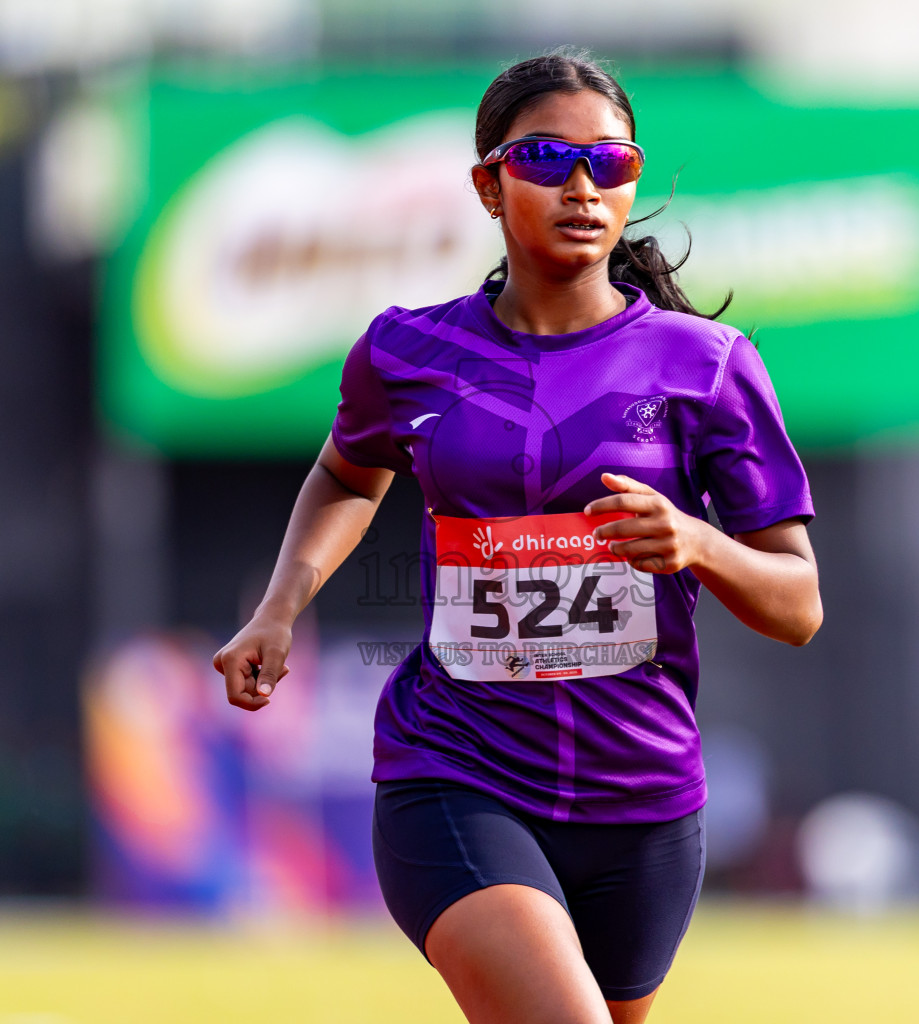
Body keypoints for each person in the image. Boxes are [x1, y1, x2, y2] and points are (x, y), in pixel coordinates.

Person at [214, 49, 821, 1024]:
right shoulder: (407, 351)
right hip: (456, 769)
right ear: (488, 183)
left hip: (645, 802)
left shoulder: (706, 366)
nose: (582, 188)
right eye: (546, 160)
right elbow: (345, 470)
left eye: (611, 165)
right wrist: (278, 610)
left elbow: (798, 604)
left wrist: (698, 542)